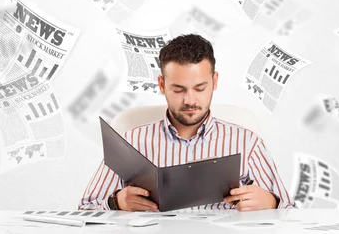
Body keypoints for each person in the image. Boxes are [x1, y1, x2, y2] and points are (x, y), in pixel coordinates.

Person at [79, 34, 296, 211]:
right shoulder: (131, 141)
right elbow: (86, 208)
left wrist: (271, 202)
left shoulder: (247, 142)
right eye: (178, 89)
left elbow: (290, 212)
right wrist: (115, 202)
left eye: (200, 88)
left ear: (215, 81)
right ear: (162, 85)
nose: (190, 100)